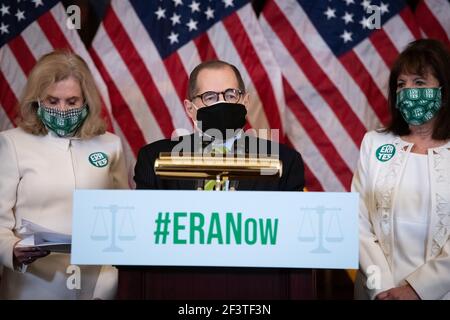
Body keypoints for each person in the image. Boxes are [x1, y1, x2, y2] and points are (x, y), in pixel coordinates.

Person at [0, 51, 129, 299]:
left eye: (72, 102)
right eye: (52, 101)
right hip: (32, 285)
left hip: (96, 286)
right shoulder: (11, 143)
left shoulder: (110, 145)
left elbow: (121, 222)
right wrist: (12, 249)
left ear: (86, 102)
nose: (62, 109)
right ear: (37, 100)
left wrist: (108, 285)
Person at [352, 39, 450, 300]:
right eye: (401, 84)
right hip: (377, 292)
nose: (408, 91)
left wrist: (417, 291)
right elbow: (357, 222)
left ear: (443, 91)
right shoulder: (374, 143)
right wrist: (383, 287)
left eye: (419, 83)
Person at [134, 60, 304, 191]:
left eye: (231, 95)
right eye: (210, 97)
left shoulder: (285, 162)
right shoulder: (154, 159)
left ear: (245, 101)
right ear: (190, 108)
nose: (222, 103)